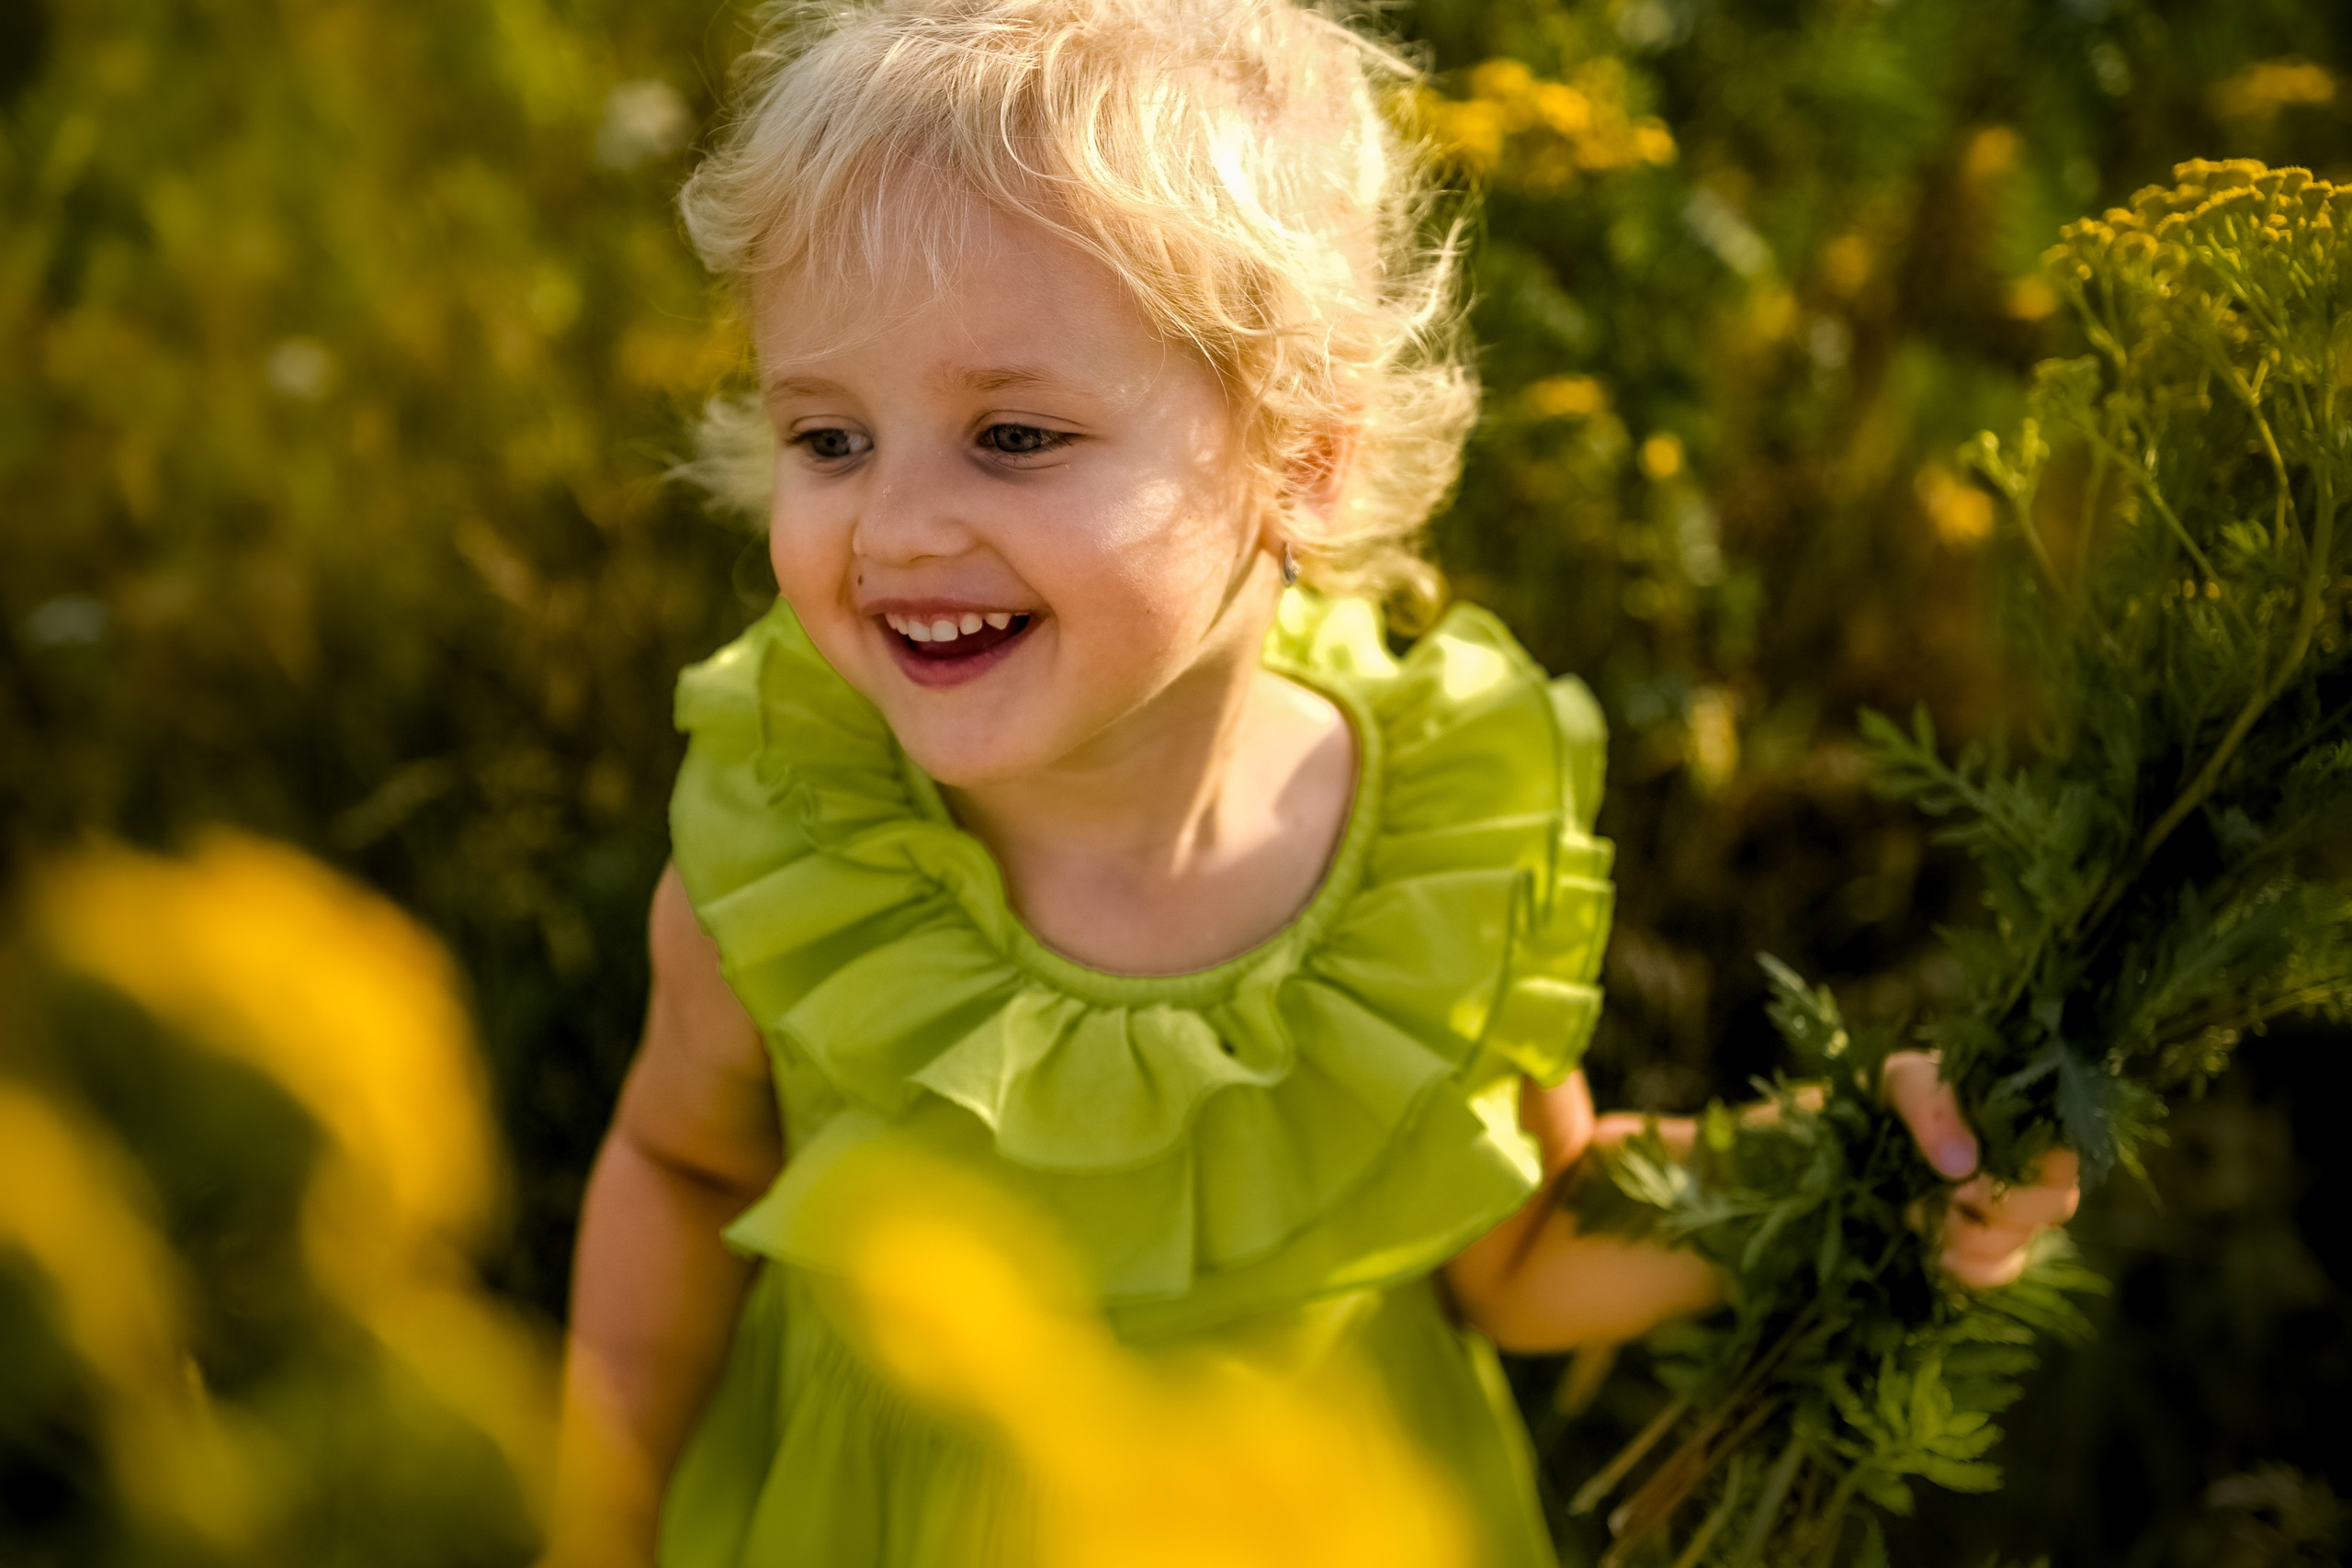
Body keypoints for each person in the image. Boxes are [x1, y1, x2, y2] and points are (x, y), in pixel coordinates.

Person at [548, 0, 2082, 1562]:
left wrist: (1854, 1163)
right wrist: (599, 1524)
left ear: (1304, 459)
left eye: (1012, 435)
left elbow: (1530, 1245)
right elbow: (681, 1158)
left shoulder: (1435, 846)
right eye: (831, 438)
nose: (895, 530)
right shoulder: (803, 848)